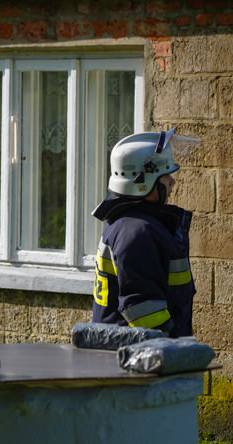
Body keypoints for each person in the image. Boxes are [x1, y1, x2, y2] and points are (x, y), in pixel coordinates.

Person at [91, 129, 198, 338]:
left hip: (135, 353)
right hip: (139, 357)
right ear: (143, 181)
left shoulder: (135, 223)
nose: (172, 182)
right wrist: (174, 348)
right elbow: (143, 311)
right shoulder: (136, 232)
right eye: (165, 175)